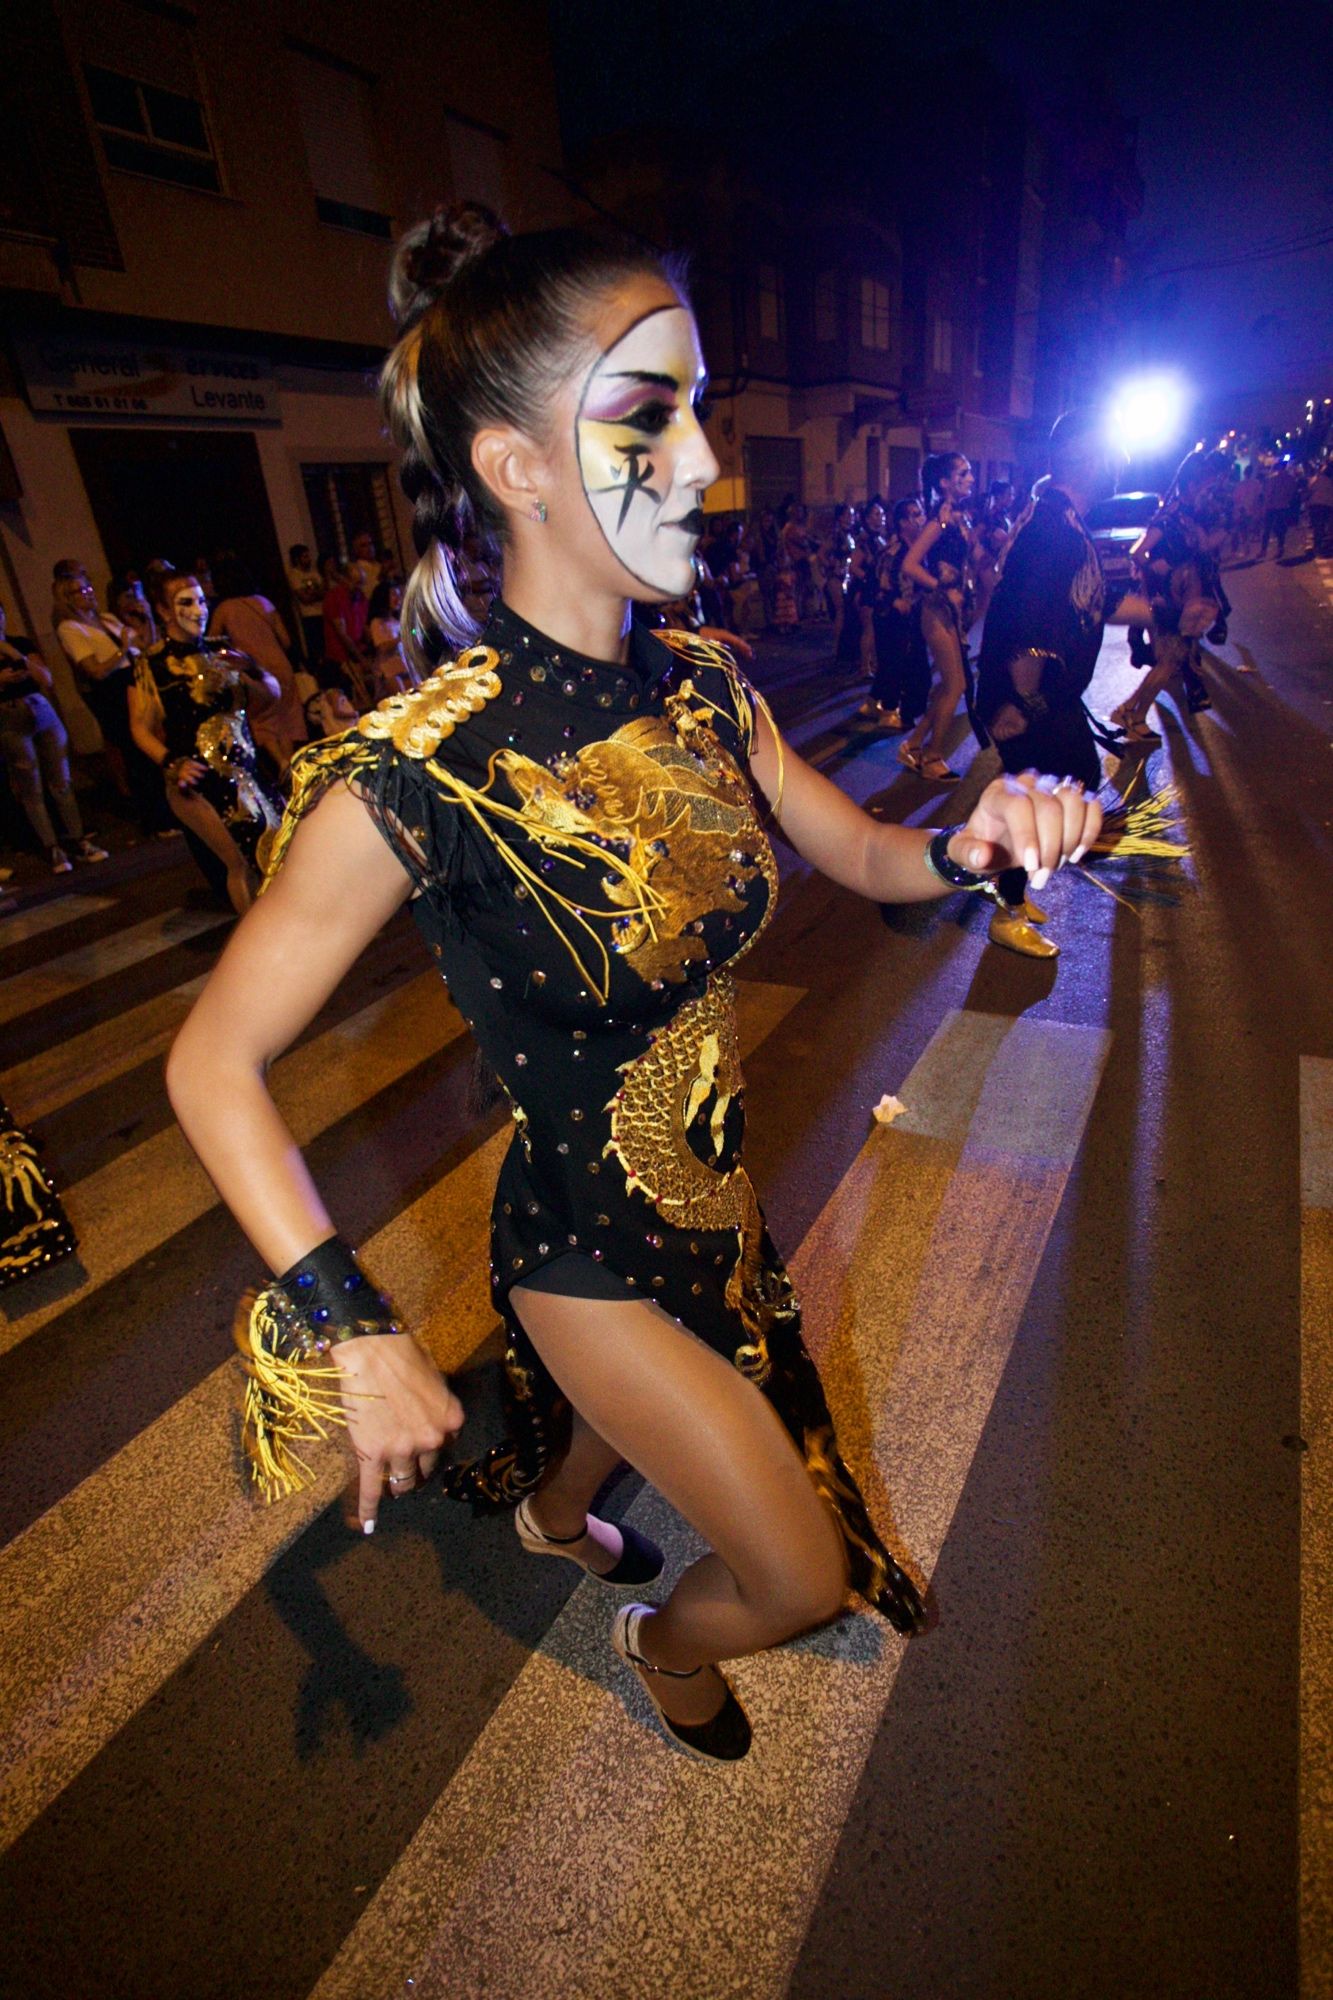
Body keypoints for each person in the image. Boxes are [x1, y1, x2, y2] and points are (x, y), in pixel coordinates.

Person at [165, 201, 1100, 1765]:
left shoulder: (711, 684)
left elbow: (866, 857)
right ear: (516, 467)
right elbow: (211, 1065)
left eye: (702, 409)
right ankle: (663, 1642)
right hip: (581, 1245)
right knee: (796, 1574)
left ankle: (547, 1511)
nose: (706, 465)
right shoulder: (425, 771)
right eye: (646, 418)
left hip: (718, 1212)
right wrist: (358, 1329)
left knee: (621, 1434)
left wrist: (980, 843)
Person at [974, 410, 1118, 960]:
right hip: (1030, 697)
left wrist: (1160, 612)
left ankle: (1006, 889)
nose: (1116, 463)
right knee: (1052, 792)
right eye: (1107, 450)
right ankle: (1007, 910)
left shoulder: (1062, 522)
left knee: (1064, 785)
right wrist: (1021, 699)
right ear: (1084, 455)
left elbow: (1080, 607)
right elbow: (1022, 617)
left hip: (1045, 695)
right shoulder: (1051, 528)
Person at [129, 573, 284, 914]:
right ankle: (256, 946)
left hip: (249, 771)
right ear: (164, 611)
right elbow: (140, 729)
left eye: (201, 600)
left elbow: (271, 697)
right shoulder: (151, 665)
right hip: (200, 780)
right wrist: (172, 762)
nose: (198, 610)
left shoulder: (221, 650)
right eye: (186, 602)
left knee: (282, 847)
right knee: (241, 861)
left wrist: (254, 670)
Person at [1114, 450, 1230, 739]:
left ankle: (1131, 711)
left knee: (1172, 661)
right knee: (1169, 660)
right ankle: (1131, 713)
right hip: (1167, 601)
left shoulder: (1189, 516)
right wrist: (1160, 571)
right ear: (1193, 485)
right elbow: (1137, 552)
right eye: (1205, 485)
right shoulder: (1171, 517)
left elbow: (1202, 550)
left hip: (1183, 601)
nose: (1208, 491)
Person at [0, 605, 108, 874]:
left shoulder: (19, 644)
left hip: (39, 708)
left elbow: (46, 678)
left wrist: (17, 657)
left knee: (61, 779)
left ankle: (77, 839)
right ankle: (52, 847)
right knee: (30, 784)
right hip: (8, 716)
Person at [898, 453, 979, 782]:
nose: (971, 478)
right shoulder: (939, 520)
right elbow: (910, 564)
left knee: (950, 685)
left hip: (951, 612)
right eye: (964, 472)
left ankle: (914, 744)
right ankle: (932, 757)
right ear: (945, 482)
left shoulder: (958, 517)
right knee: (955, 685)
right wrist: (942, 589)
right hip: (935, 611)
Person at [53, 560, 141, 805]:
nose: (88, 594)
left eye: (89, 587)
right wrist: (122, 649)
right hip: (112, 689)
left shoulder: (104, 619)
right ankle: (140, 803)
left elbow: (142, 644)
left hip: (134, 681)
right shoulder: (70, 627)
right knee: (127, 747)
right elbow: (95, 670)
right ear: (67, 597)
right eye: (80, 591)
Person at [209, 553, 305, 763]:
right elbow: (286, 641)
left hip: (255, 671)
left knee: (263, 720)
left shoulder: (223, 610)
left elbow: (213, 642)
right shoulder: (264, 603)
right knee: (287, 718)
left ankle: (281, 765)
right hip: (281, 666)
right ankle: (290, 766)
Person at [859, 496, 928, 728]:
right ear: (903, 522)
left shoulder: (916, 549)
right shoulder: (895, 550)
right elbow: (878, 583)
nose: (921, 519)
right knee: (898, 663)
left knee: (897, 662)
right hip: (891, 616)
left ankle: (872, 703)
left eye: (920, 513)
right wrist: (895, 600)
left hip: (909, 615)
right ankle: (890, 711)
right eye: (915, 515)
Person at [322, 558, 371, 701]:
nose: (359, 587)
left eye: (361, 583)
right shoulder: (334, 597)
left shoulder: (360, 597)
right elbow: (342, 634)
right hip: (340, 658)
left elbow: (363, 625)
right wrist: (361, 659)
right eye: (356, 583)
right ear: (344, 579)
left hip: (356, 652)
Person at [366, 578, 416, 698]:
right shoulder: (377, 623)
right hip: (389, 672)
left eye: (399, 595)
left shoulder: (396, 621)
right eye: (393, 594)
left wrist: (414, 632)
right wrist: (403, 637)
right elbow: (382, 647)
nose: (398, 599)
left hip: (403, 667)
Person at [286, 544, 327, 670]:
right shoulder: (294, 575)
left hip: (322, 613)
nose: (309, 559)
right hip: (309, 616)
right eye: (305, 556)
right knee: (315, 649)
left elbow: (324, 592)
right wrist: (316, 593)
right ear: (297, 559)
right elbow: (304, 599)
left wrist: (313, 593)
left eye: (308, 556)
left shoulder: (314, 573)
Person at [1260, 460, 1299, 559]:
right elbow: (1293, 493)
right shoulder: (1290, 479)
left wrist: (1264, 506)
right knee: (1280, 529)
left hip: (1272, 507)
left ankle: (1264, 550)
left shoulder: (1273, 479)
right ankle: (1280, 548)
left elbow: (1268, 494)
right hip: (1283, 507)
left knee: (1267, 529)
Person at [1306, 459, 1333, 556]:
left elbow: (1310, 489)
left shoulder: (1317, 478)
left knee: (1318, 527)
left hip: (1316, 505)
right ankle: (1321, 546)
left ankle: (1317, 547)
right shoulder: (1330, 480)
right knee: (1325, 526)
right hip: (1328, 505)